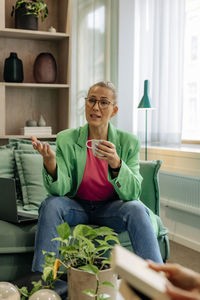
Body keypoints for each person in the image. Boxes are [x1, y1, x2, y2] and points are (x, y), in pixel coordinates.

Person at [31, 81, 163, 273]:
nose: (95, 107)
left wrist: (117, 164)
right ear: (85, 104)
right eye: (91, 100)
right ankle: (43, 281)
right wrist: (50, 162)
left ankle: (157, 281)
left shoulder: (129, 142)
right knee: (51, 204)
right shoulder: (66, 138)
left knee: (136, 208)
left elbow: (134, 192)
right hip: (77, 207)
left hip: (111, 209)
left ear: (114, 110)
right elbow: (60, 190)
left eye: (103, 102)